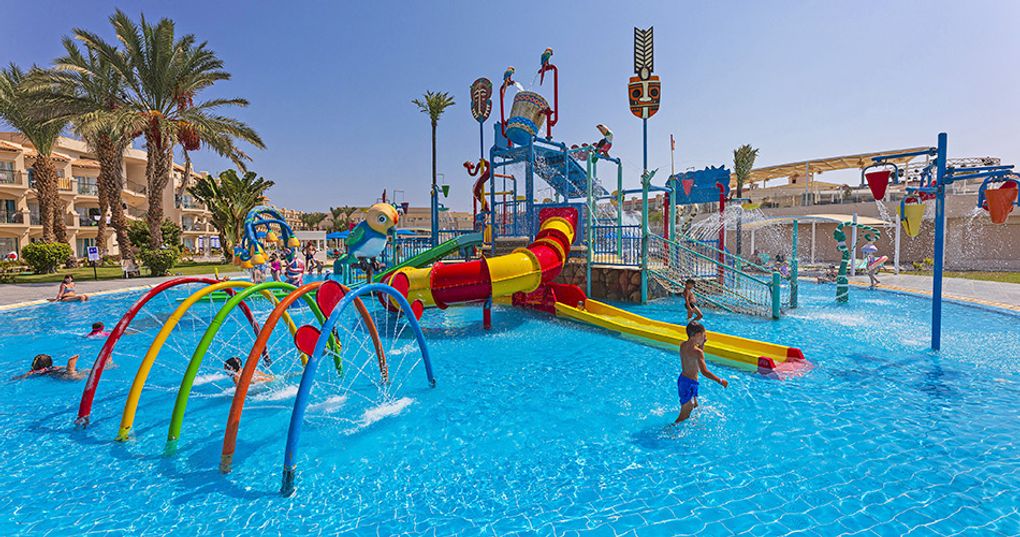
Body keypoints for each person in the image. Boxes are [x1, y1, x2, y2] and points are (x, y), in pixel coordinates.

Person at [674, 322, 728, 424]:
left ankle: (695, 424)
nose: (705, 337)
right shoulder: (698, 352)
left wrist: (702, 344)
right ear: (698, 335)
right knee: (684, 415)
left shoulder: (683, 345)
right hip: (689, 384)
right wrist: (720, 380)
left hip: (684, 380)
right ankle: (670, 430)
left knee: (695, 406)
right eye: (704, 335)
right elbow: (704, 372)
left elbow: (694, 360)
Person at [13, 354, 88, 381]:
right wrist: (66, 367)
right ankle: (86, 371)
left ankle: (71, 371)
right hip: (60, 371)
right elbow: (61, 367)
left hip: (55, 375)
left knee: (72, 378)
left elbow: (24, 376)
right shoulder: (54, 367)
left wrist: (16, 378)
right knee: (78, 374)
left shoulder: (35, 372)